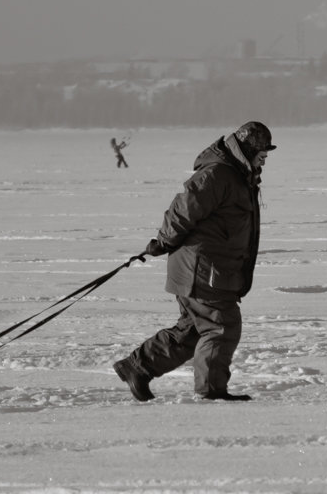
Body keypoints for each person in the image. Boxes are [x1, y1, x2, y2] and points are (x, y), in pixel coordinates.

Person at [113, 121, 276, 402]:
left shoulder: (239, 175)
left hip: (207, 269)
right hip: (203, 270)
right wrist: (163, 242)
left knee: (191, 332)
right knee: (221, 326)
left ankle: (138, 367)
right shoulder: (218, 174)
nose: (265, 159)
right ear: (248, 150)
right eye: (262, 153)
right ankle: (211, 394)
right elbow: (182, 210)